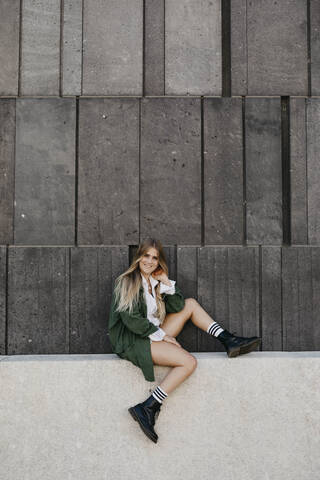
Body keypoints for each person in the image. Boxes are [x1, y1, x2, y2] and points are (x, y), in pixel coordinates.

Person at [108, 238, 261, 444]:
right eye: (146, 256)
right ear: (139, 257)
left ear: (159, 261)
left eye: (155, 257)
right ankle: (148, 406)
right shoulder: (127, 281)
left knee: (190, 304)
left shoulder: (154, 284)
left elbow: (178, 305)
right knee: (189, 362)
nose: (150, 261)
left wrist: (165, 282)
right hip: (134, 341)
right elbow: (131, 321)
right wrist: (165, 337)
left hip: (152, 335)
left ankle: (227, 340)